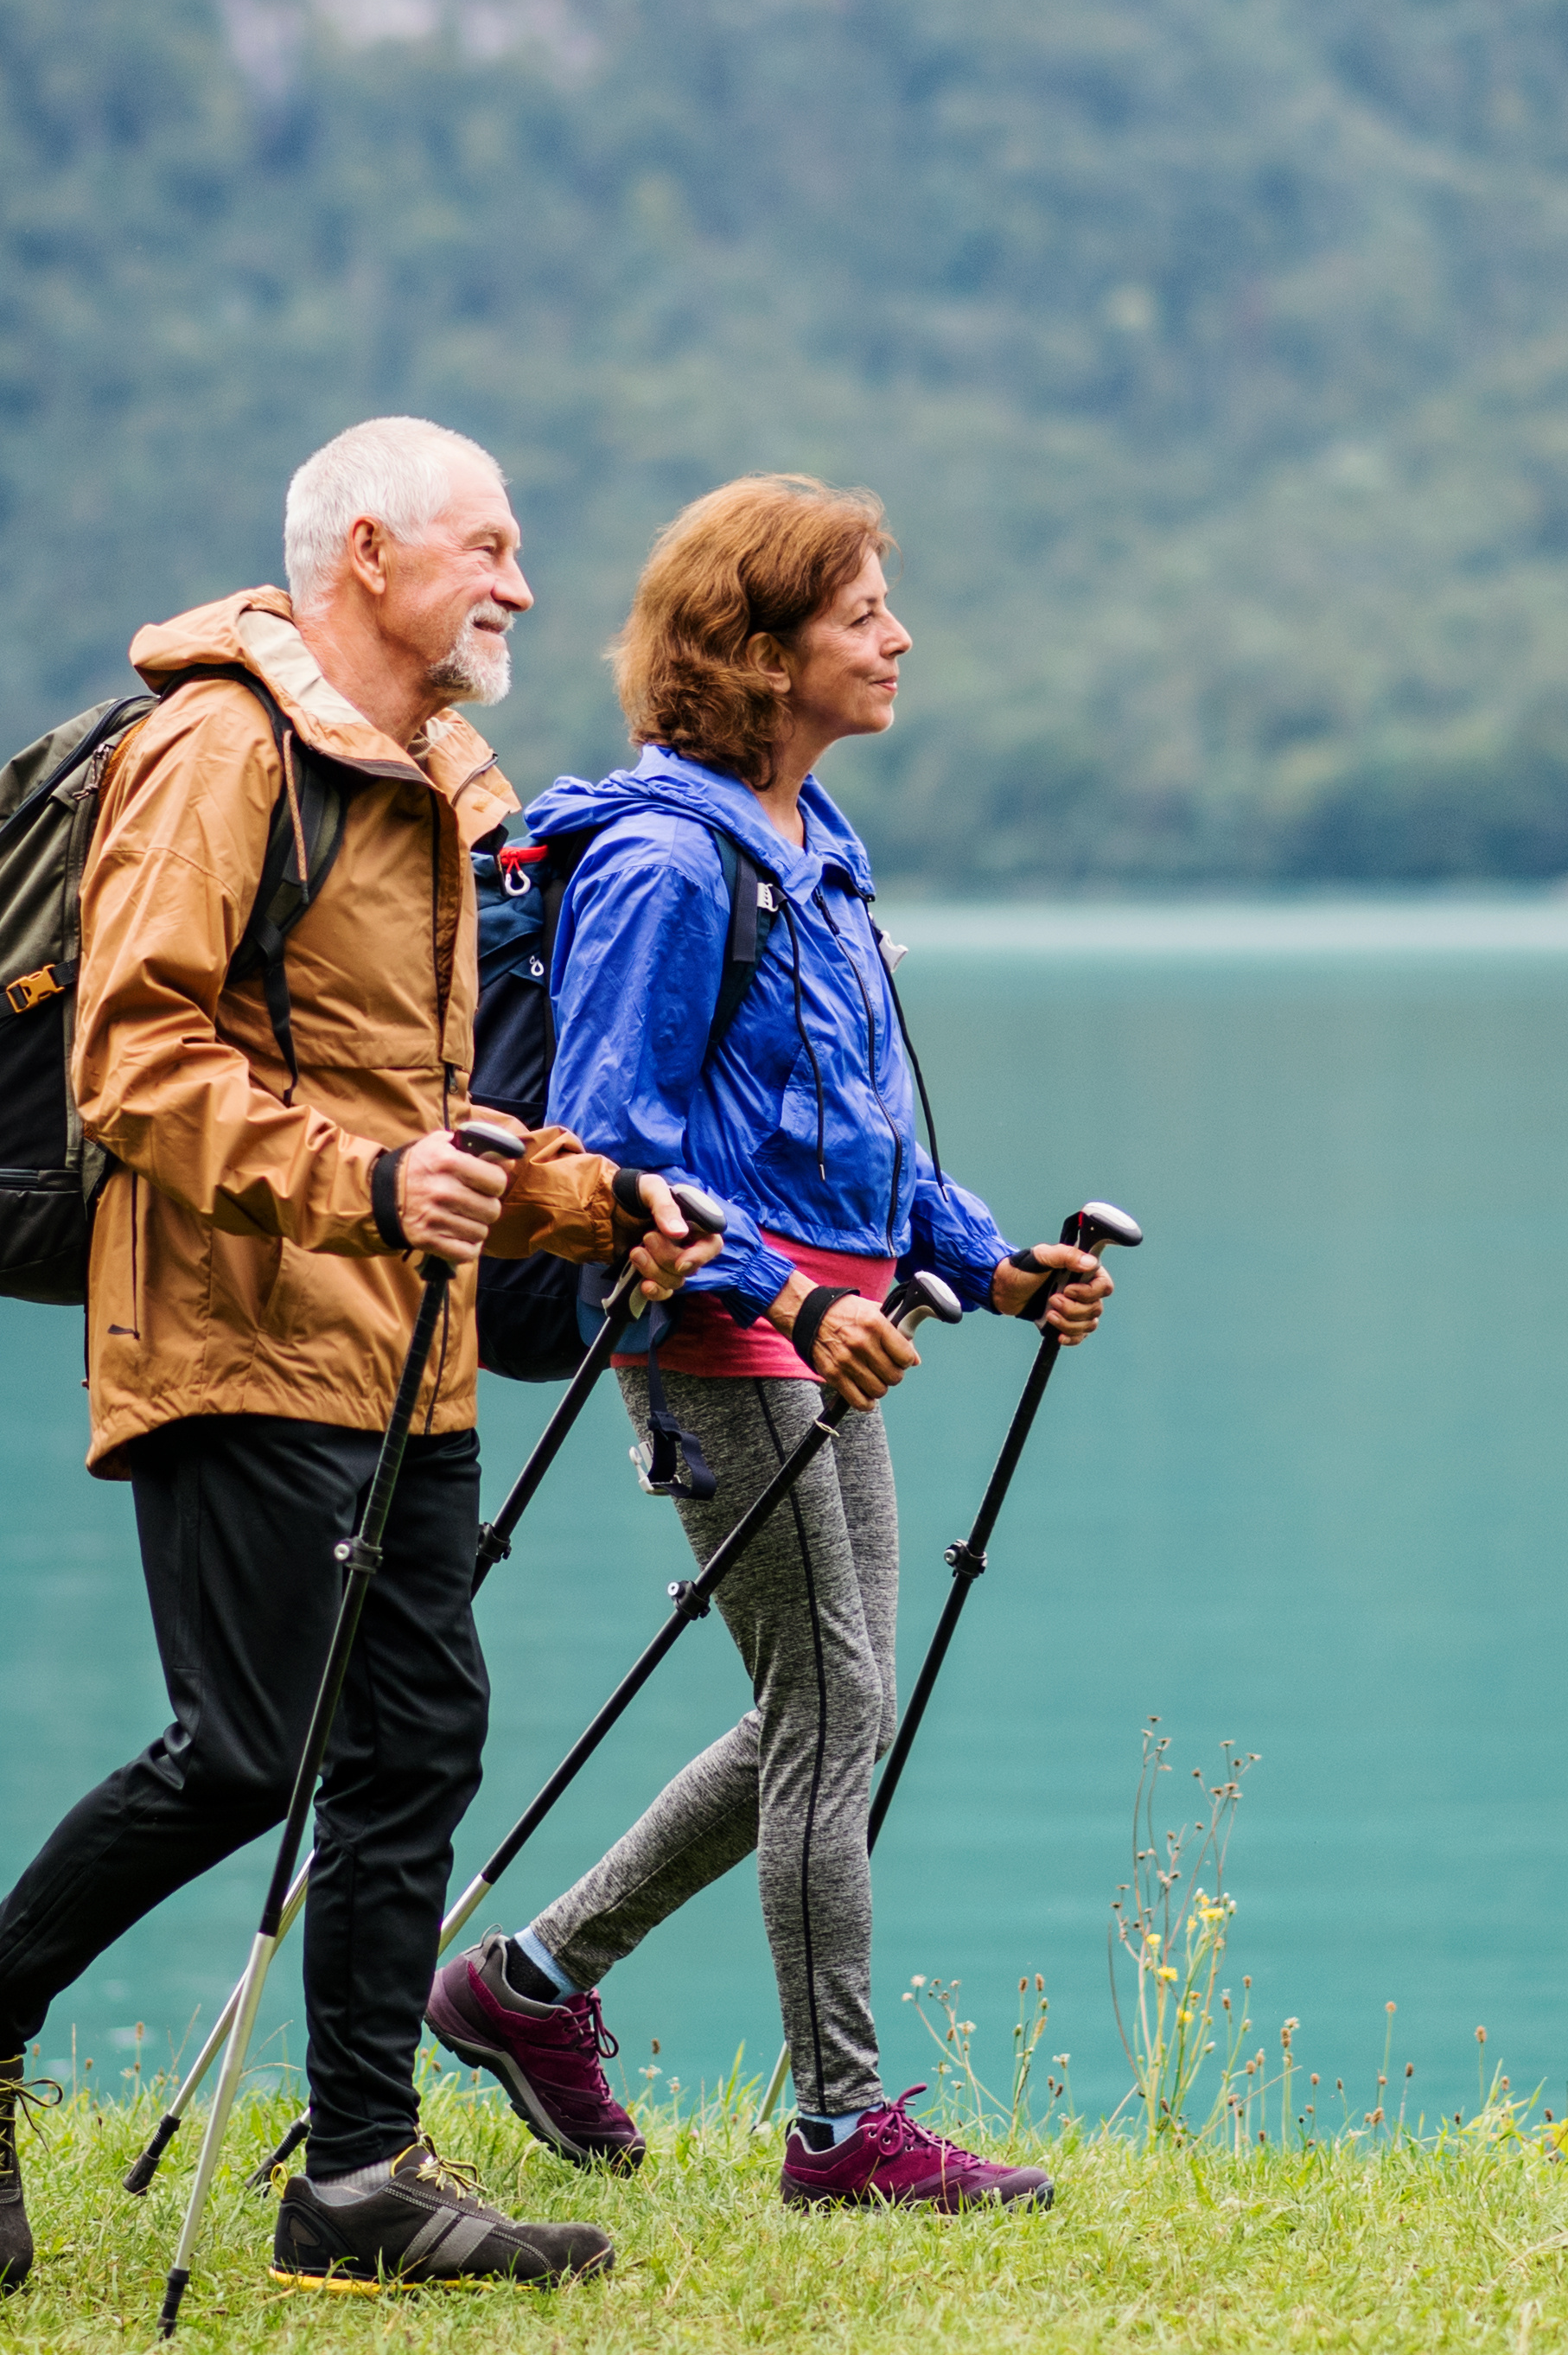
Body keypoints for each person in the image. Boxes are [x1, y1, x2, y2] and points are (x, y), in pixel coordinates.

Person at [0, 416, 719, 2297]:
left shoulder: (428, 777)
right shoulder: (221, 748)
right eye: (487, 547)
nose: (520, 585)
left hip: (395, 1347)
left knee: (419, 1741)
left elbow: (430, 1110)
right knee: (252, 1753)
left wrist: (600, 1204)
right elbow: (137, 1068)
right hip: (231, 1332)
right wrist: (373, 1181)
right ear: (370, 554)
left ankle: (355, 2179)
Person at [421, 474, 1113, 2211]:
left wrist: (986, 1264)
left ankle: (524, 1987)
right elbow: (610, 1151)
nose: (896, 635)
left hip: (830, 1337)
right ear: (756, 646)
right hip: (723, 1343)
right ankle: (841, 2132)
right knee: (830, 1705)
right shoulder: (662, 866)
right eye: (861, 610)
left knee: (824, 1706)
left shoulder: (812, 849)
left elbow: (856, 1138)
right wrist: (782, 1299)